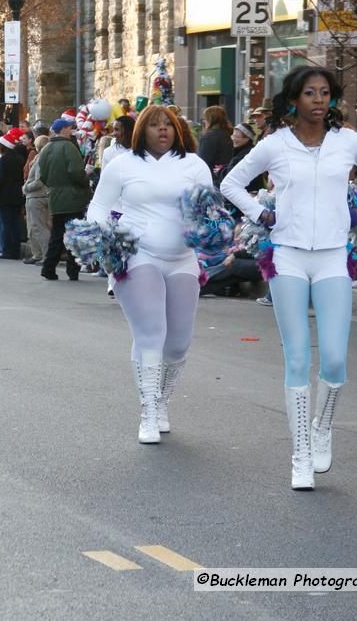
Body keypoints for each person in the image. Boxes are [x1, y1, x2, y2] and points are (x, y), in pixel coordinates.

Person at [221, 66, 357, 490]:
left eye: (325, 93)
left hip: (335, 256)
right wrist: (262, 214)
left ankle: (322, 428)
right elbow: (231, 183)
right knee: (297, 357)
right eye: (309, 93)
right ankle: (300, 453)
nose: (318, 100)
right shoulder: (275, 145)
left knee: (335, 358)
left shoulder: (347, 141)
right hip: (288, 258)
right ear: (294, 99)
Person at [88, 105, 213, 444]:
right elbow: (99, 206)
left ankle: (161, 401)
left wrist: (212, 231)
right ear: (142, 129)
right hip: (137, 255)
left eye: (168, 125)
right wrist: (103, 237)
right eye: (155, 125)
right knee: (150, 334)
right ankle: (148, 410)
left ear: (178, 130)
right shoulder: (122, 164)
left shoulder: (194, 165)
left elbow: (209, 211)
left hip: (183, 259)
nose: (162, 130)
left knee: (178, 344)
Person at [39, 118, 89, 281]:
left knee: (57, 235)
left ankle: (48, 267)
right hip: (73, 197)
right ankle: (72, 270)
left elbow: (43, 176)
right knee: (74, 235)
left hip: (55, 197)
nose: (71, 131)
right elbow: (76, 172)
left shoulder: (46, 149)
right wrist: (85, 182)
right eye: (69, 128)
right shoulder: (69, 147)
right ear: (63, 130)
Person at [0, 129, 26, 259]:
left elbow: (0, 178)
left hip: (5, 195)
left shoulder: (4, 159)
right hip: (17, 194)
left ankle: (8, 250)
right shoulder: (19, 158)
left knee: (6, 224)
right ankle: (15, 249)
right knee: (15, 223)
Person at [22, 135, 51, 265]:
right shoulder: (44, 158)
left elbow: (39, 180)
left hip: (37, 196)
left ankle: (45, 255)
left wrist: (26, 187)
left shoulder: (41, 159)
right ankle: (37, 254)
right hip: (38, 196)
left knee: (39, 227)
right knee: (34, 227)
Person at [197, 105, 234, 185]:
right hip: (226, 177)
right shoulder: (229, 134)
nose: (204, 121)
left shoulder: (208, 137)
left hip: (212, 180)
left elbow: (202, 162)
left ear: (210, 120)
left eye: (205, 118)